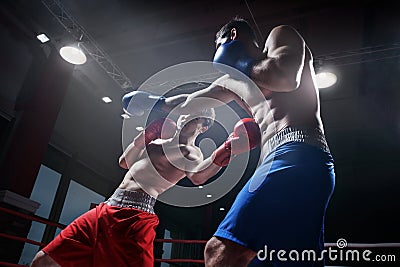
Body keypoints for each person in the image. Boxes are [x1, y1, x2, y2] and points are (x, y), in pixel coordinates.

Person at [130, 17, 335, 266]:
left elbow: (285, 77)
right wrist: (156, 102)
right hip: (291, 163)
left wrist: (237, 62)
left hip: (295, 153)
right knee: (278, 260)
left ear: (232, 36)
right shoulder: (234, 82)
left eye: (217, 45)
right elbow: (191, 101)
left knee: (220, 252)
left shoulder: (281, 35)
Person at [30, 108, 261, 267]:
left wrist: (227, 150)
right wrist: (142, 138)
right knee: (44, 261)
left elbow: (198, 176)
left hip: (133, 217)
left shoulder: (191, 153)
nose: (185, 116)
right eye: (184, 112)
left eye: (194, 115)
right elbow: (124, 162)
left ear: (204, 126)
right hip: (104, 210)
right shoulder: (156, 141)